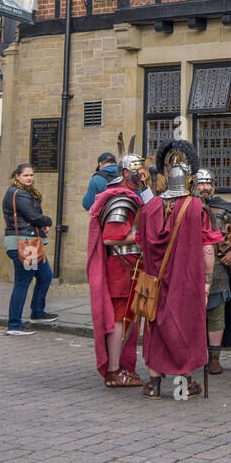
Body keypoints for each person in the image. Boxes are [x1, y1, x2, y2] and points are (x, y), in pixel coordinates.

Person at [137, 142, 221, 398]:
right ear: (189, 182)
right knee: (185, 328)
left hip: (155, 280)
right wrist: (207, 282)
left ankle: (153, 385)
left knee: (154, 330)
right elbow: (208, 249)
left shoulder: (150, 207)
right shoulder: (198, 208)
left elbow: (141, 243)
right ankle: (183, 386)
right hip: (186, 282)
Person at [87, 153, 148, 387]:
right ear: (125, 173)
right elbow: (111, 238)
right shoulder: (122, 199)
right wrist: (143, 236)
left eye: (143, 172)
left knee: (129, 319)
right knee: (120, 319)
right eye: (138, 172)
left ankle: (121, 367)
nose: (142, 176)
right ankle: (113, 371)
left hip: (130, 267)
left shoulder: (131, 196)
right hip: (122, 268)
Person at [197, 169, 231, 376]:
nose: (205, 188)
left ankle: (214, 359)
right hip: (190, 269)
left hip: (217, 269)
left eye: (209, 184)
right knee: (193, 316)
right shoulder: (186, 208)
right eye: (201, 184)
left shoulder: (223, 208)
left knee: (216, 315)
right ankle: (194, 356)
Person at [2, 164, 56, 335]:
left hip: (31, 243)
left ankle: (38, 312)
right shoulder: (19, 194)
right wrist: (48, 221)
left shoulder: (21, 192)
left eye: (31, 175)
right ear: (17, 176)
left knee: (45, 275)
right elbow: (34, 216)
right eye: (26, 175)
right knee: (23, 282)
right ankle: (14, 324)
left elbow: (30, 218)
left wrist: (41, 226)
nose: (29, 178)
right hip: (25, 245)